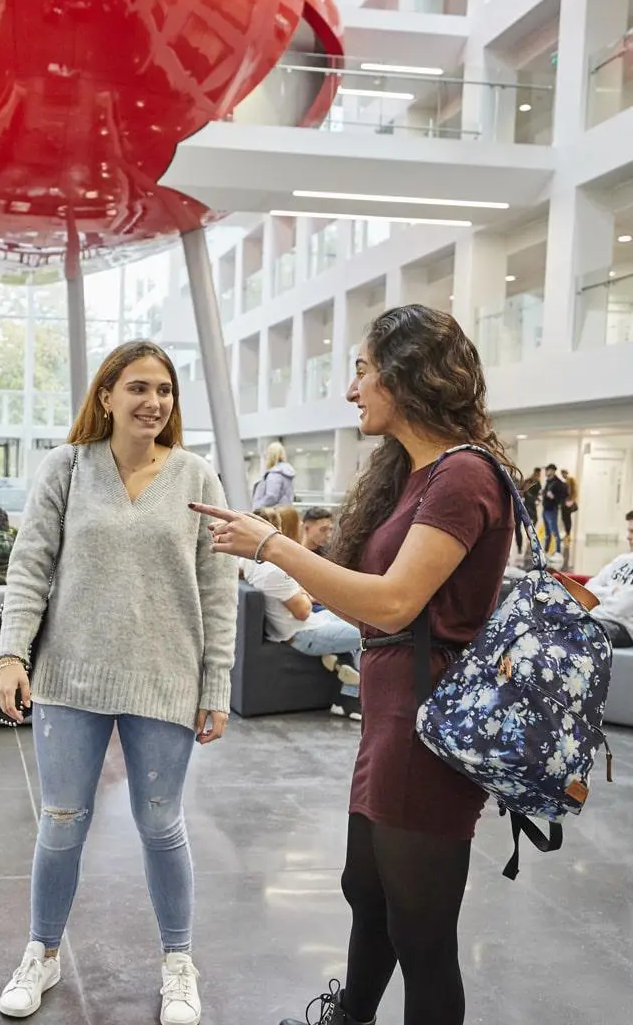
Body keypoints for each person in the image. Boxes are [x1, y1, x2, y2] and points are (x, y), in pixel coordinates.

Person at [191, 304, 515, 1025]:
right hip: (393, 719)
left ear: (406, 374)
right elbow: (369, 601)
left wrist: (272, 547)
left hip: (425, 730)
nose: (351, 389)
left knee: (422, 936)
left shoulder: (463, 478)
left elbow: (396, 603)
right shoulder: (415, 474)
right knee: (368, 895)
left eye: (363, 369)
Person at [0, 340, 237, 1025]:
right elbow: (30, 565)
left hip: (165, 681)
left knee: (161, 826)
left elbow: (219, 591)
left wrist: (215, 684)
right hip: (69, 679)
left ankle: (178, 963)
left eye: (163, 390)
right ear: (105, 396)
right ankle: (41, 952)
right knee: (62, 824)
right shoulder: (67, 468)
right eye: (137, 388)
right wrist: (12, 653)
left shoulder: (196, 478)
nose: (153, 402)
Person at [242, 509, 363, 720]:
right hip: (303, 634)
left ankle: (344, 672)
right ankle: (351, 699)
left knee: (355, 619)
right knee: (368, 633)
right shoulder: (274, 570)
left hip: (296, 627)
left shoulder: (248, 562)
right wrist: (302, 593)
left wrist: (301, 591)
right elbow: (303, 610)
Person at [587, 509, 633, 648]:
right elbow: (588, 589)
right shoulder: (622, 560)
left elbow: (621, 607)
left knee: (579, 631)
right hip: (595, 618)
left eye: (632, 531)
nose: (628, 537)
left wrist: (594, 606)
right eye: (629, 531)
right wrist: (612, 592)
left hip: (622, 628)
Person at [252, 440, 295, 507]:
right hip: (285, 512)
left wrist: (257, 506)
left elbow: (271, 496)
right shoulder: (287, 473)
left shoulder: (275, 474)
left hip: (271, 514)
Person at [541, 463, 569, 558]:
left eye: (547, 470)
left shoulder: (557, 483)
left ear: (552, 471)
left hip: (552, 510)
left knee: (554, 531)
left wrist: (554, 497)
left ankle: (558, 551)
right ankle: (545, 551)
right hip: (545, 509)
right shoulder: (548, 481)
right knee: (547, 532)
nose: (546, 472)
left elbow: (563, 495)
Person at [560, 468, 579, 542]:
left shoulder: (571, 480)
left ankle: (568, 535)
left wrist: (572, 500)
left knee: (567, 519)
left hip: (569, 503)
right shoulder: (562, 481)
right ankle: (567, 535)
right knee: (564, 519)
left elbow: (575, 491)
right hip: (563, 503)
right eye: (562, 473)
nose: (563, 475)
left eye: (564, 473)